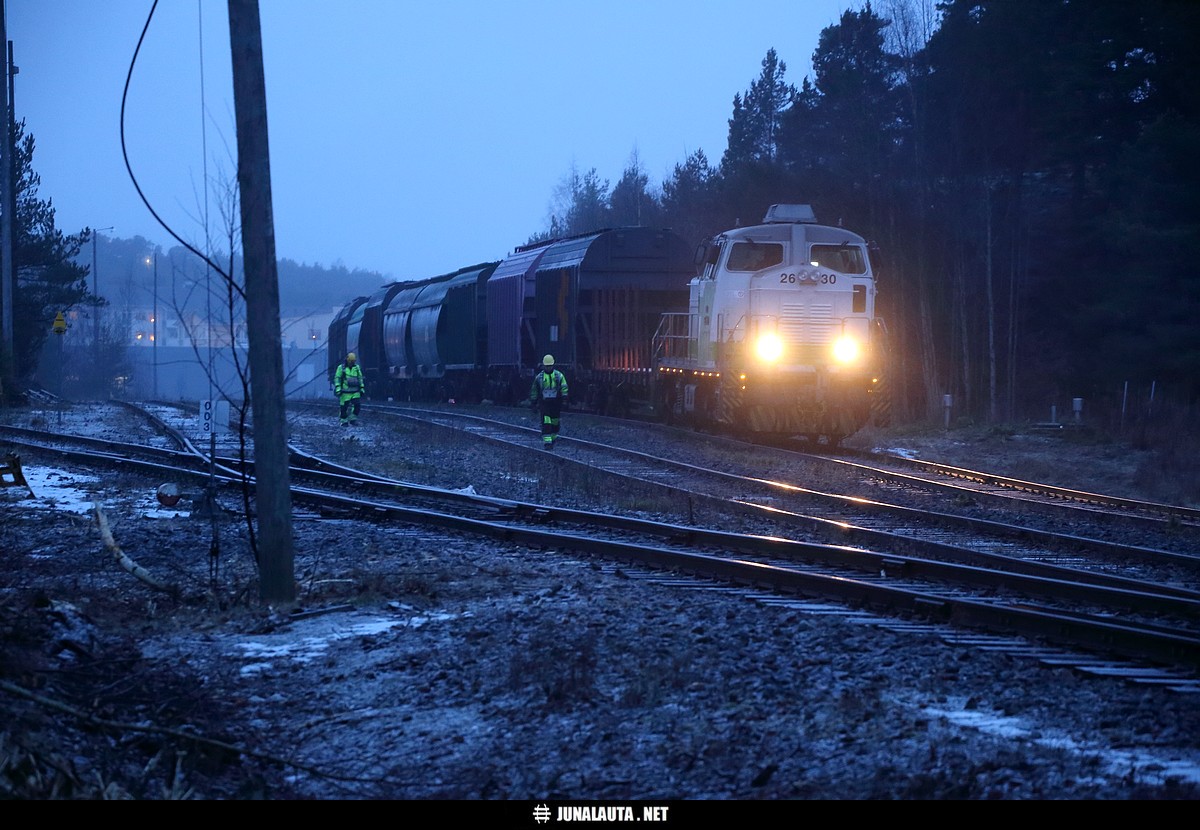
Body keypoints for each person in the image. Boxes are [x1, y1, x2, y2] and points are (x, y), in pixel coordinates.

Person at [529, 354, 569, 450]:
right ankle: (548, 443)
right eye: (546, 366)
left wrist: (565, 399)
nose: (548, 368)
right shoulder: (539, 377)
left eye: (550, 366)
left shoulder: (559, 376)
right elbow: (534, 390)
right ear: (543, 366)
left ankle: (553, 438)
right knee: (546, 422)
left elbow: (564, 387)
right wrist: (533, 403)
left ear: (553, 365)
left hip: (556, 403)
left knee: (555, 423)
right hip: (544, 403)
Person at [334, 352, 365, 426]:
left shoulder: (357, 368)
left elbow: (360, 378)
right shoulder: (341, 368)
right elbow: (337, 378)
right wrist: (338, 388)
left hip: (355, 391)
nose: (352, 363)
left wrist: (362, 388)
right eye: (351, 361)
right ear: (348, 360)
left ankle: (353, 419)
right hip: (345, 392)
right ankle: (344, 421)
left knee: (357, 405)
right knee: (344, 407)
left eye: (353, 361)